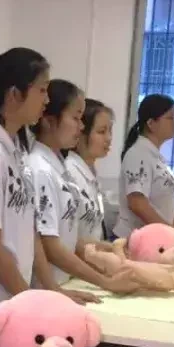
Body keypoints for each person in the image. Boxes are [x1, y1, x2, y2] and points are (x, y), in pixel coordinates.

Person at [0, 48, 94, 347]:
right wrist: (30, 301)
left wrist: (48, 293)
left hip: (12, 301)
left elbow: (30, 234)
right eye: (41, 90)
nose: (46, 99)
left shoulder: (14, 151)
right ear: (15, 95)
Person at [30, 80, 137, 293]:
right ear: (49, 121)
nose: (80, 127)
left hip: (66, 280)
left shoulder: (58, 168)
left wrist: (103, 250)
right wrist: (104, 281)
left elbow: (67, 240)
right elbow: (49, 246)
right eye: (76, 118)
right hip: (50, 287)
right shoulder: (40, 169)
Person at [115, 95, 174, 243]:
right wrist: (172, 231)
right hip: (136, 241)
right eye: (170, 118)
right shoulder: (138, 154)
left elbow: (161, 207)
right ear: (151, 123)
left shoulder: (154, 156)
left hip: (155, 239)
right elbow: (138, 204)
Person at [66, 98, 113, 243]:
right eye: (101, 132)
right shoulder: (70, 172)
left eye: (110, 131)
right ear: (80, 133)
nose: (109, 138)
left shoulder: (90, 172)